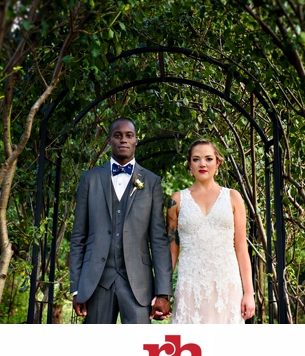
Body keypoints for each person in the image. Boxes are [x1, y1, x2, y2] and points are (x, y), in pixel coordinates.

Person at [69, 118, 173, 323]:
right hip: (96, 283)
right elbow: (78, 236)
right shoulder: (89, 179)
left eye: (128, 135)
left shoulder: (151, 182)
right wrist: (76, 288)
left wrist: (163, 292)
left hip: (138, 285)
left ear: (136, 141)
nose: (123, 140)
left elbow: (159, 241)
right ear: (109, 141)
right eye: (117, 136)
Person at [168, 139, 255, 324]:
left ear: (218, 163)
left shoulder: (233, 197)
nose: (202, 164)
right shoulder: (176, 200)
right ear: (189, 164)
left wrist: (249, 293)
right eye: (196, 159)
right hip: (190, 285)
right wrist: (163, 291)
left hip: (226, 284)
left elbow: (241, 248)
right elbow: (172, 251)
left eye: (208, 158)